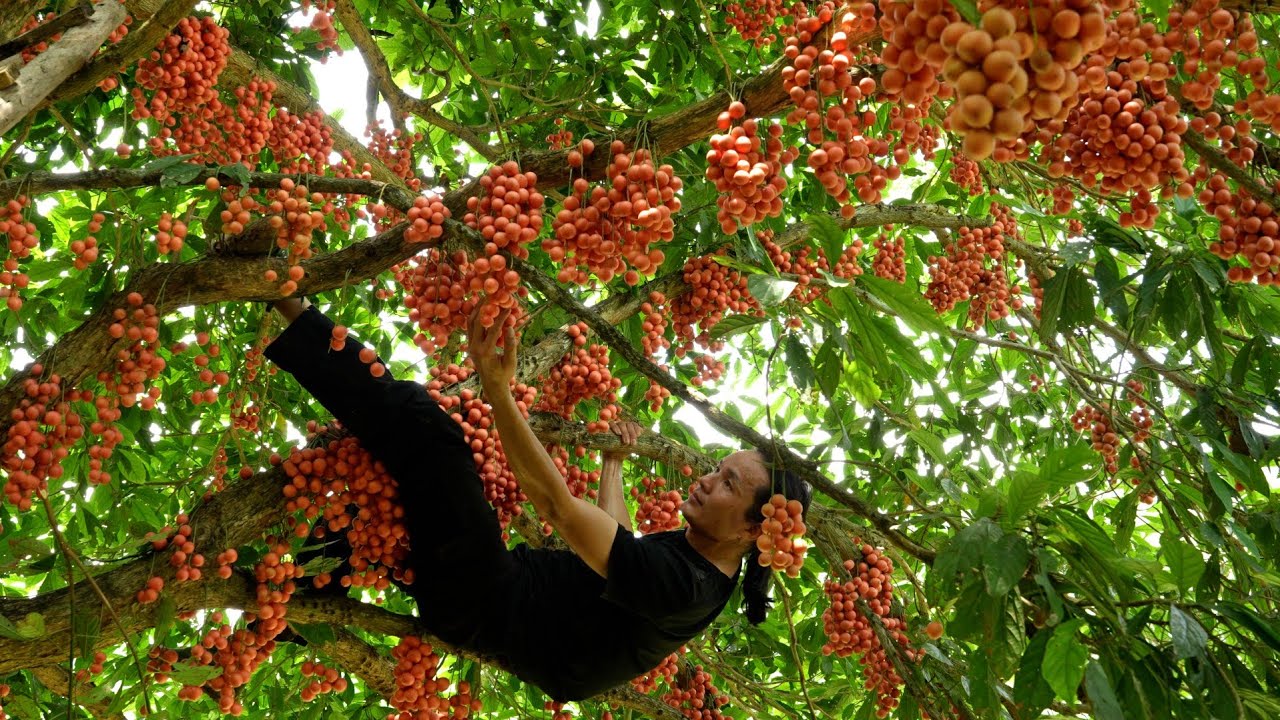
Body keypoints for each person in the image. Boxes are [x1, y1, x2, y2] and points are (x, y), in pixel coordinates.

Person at [262, 296, 812, 702]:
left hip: (487, 600)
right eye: (718, 470)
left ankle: (292, 307)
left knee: (430, 432)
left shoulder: (684, 586)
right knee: (384, 498)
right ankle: (290, 608)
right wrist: (612, 465)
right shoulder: (698, 565)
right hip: (493, 593)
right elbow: (615, 547)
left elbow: (556, 509)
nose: (706, 481)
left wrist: (497, 389)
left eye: (728, 485)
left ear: (751, 531)